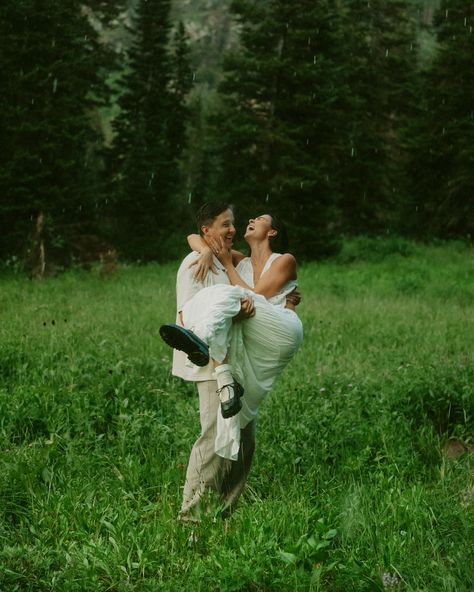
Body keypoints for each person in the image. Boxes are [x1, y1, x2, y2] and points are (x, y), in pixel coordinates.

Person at [162, 203, 302, 521]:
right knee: (214, 437)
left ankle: (223, 512)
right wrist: (204, 252)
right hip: (210, 362)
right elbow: (185, 313)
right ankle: (191, 516)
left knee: (244, 440)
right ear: (208, 231)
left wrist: (217, 255)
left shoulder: (231, 264)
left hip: (238, 357)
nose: (234, 229)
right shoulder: (193, 265)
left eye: (233, 224)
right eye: (226, 224)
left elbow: (256, 295)